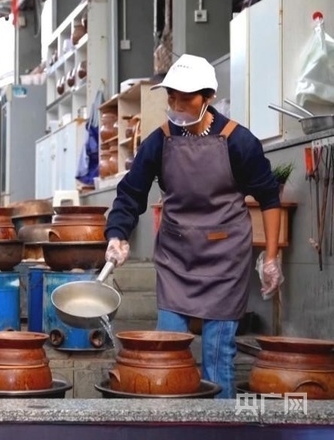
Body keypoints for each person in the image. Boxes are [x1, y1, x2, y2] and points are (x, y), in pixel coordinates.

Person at [103, 54, 283, 399]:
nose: (177, 106)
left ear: (208, 98)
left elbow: (269, 198)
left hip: (225, 259)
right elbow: (130, 194)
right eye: (172, 98)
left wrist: (271, 258)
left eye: (186, 99)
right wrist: (116, 235)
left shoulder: (239, 141)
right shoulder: (159, 141)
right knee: (167, 351)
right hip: (176, 257)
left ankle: (220, 424)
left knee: (218, 354)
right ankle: (173, 422)